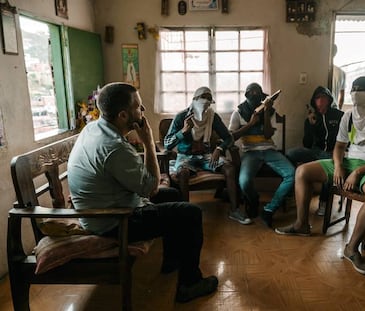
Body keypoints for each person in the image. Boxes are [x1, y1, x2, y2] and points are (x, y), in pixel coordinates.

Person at [68, 82, 218, 303]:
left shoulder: (93, 128)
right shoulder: (114, 147)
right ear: (122, 115)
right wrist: (148, 142)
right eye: (138, 107)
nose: (143, 111)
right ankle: (190, 283)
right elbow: (151, 188)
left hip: (105, 208)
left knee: (173, 195)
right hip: (113, 221)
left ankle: (172, 260)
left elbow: (139, 182)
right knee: (191, 213)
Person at [275, 77, 365, 275]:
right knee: (302, 172)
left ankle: (351, 248)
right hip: (349, 161)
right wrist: (340, 166)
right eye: (354, 89)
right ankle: (301, 224)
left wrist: (359, 172)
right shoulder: (348, 116)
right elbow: (340, 147)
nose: (356, 92)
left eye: (361, 90)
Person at [164, 86, 251, 225]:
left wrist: (219, 148)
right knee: (183, 173)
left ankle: (234, 210)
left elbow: (228, 138)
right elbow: (167, 143)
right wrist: (183, 131)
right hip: (186, 156)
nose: (205, 101)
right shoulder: (182, 117)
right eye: (202, 97)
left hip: (207, 156)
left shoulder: (212, 116)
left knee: (229, 168)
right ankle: (186, 214)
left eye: (209, 99)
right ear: (194, 99)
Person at [228, 83, 295, 228]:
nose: (254, 95)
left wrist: (266, 112)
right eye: (251, 93)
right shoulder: (238, 112)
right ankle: (253, 200)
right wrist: (251, 124)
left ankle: (270, 208)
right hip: (250, 152)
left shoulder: (269, 111)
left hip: (269, 150)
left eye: (257, 93)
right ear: (246, 95)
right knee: (244, 181)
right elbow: (231, 137)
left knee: (292, 174)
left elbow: (267, 134)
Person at [286, 86, 344, 216]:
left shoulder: (339, 115)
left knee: (330, 168)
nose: (321, 101)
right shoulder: (311, 118)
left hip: (332, 153)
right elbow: (306, 144)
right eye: (318, 98)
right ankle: (290, 194)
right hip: (315, 151)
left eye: (323, 98)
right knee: (290, 154)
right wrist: (312, 126)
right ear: (314, 101)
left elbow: (347, 136)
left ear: (329, 100)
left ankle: (323, 202)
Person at [331, 44, 346, 110]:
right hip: (335, 108)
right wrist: (339, 110)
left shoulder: (320, 70)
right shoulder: (341, 72)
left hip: (322, 109)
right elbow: (342, 97)